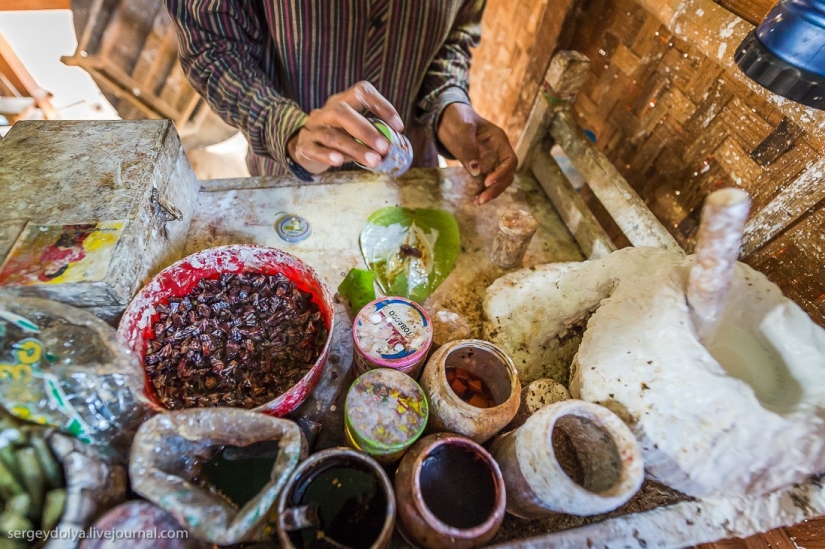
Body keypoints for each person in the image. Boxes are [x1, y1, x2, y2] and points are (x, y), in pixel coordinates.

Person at [165, 0, 516, 205]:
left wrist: (450, 105)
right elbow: (211, 48)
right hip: (293, 186)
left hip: (409, 186)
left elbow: (455, 37)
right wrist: (288, 128)